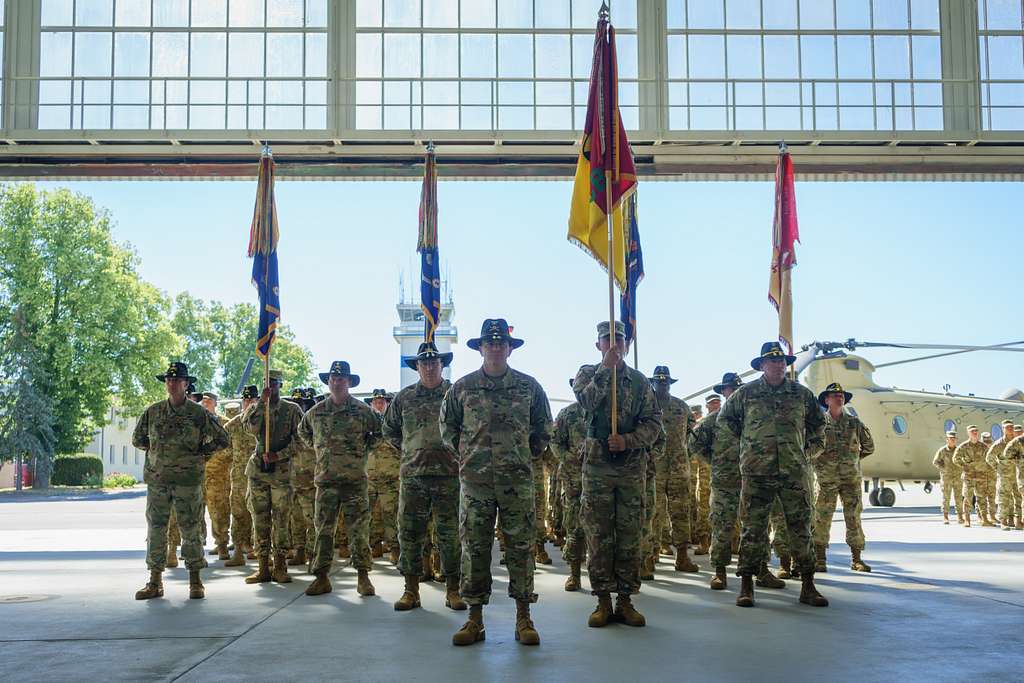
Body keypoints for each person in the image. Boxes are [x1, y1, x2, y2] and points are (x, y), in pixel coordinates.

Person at [441, 319, 551, 647]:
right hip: (475, 482)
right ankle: (474, 618)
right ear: (480, 347)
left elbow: (543, 427)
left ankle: (523, 617)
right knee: (474, 548)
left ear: (508, 347)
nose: (495, 346)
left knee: (520, 547)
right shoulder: (462, 388)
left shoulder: (529, 387)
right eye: (489, 342)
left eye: (500, 342)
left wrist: (522, 455)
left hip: (516, 481)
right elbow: (448, 428)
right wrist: (467, 455)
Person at [717, 342, 828, 608]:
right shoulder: (746, 394)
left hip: (793, 472)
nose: (778, 365)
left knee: (800, 528)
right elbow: (725, 421)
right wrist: (747, 446)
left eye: (782, 361)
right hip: (757, 472)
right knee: (753, 529)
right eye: (772, 361)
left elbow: (819, 424)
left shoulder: (801, 394)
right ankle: (746, 585)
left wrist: (808, 451)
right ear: (762, 365)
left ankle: (808, 585)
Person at [573, 321, 663, 628]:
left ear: (627, 344)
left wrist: (628, 440)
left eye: (619, 340)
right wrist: (604, 370)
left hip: (629, 468)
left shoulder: (639, 382)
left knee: (629, 535)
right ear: (598, 344)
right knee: (599, 534)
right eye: (606, 339)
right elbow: (584, 403)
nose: (614, 344)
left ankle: (625, 599)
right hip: (597, 467)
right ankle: (602, 600)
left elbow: (653, 424)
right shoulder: (587, 373)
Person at [132, 362, 229, 600]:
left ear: (186, 385)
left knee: (191, 529)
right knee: (156, 529)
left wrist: (200, 454)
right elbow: (138, 439)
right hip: (159, 481)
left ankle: (195, 581)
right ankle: (154, 581)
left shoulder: (198, 413)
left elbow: (222, 438)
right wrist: (159, 456)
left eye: (177, 380)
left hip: (188, 482)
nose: (172, 384)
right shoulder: (153, 412)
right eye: (169, 380)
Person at [383, 342, 465, 612]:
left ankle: (453, 589)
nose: (429, 367)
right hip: (414, 477)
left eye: (434, 363)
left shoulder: (455, 395)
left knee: (450, 535)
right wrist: (409, 450)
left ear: (442, 365)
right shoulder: (404, 398)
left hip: (448, 476)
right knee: (410, 534)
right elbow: (390, 430)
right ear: (417, 367)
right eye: (424, 363)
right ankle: (411, 590)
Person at [299, 361, 380, 597]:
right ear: (328, 381)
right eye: (333, 378)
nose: (337, 381)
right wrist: (320, 450)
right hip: (326, 481)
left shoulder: (363, 411)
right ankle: (322, 577)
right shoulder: (316, 412)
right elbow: (303, 432)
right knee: (323, 531)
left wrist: (363, 451)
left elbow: (379, 432)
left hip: (354, 481)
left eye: (342, 378)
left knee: (358, 531)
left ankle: (363, 577)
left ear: (349, 382)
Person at [242, 369, 304, 584]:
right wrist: (261, 404)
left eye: (275, 383)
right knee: (260, 518)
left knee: (281, 518)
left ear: (281, 385)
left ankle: (280, 565)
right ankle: (262, 566)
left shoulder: (292, 410)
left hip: (281, 472)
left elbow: (302, 440)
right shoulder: (254, 408)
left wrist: (280, 454)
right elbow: (251, 429)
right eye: (267, 382)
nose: (270, 386)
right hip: (258, 470)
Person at [811, 382, 875, 573]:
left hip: (850, 480)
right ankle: (820, 559)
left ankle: (857, 559)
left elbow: (869, 447)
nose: (839, 397)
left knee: (853, 518)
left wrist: (852, 461)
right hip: (826, 480)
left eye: (841, 395)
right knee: (822, 518)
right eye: (834, 395)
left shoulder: (854, 423)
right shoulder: (819, 423)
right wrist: (821, 464)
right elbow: (811, 449)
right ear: (826, 400)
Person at [648, 366, 698, 575]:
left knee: (681, 512)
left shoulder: (681, 407)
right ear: (653, 383)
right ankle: (649, 557)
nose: (662, 385)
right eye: (659, 382)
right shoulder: (645, 406)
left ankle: (683, 557)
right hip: (654, 469)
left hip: (679, 468)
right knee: (653, 514)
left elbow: (690, 433)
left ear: (670, 383)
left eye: (665, 382)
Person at [552, 380, 588, 591]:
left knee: (605, 531)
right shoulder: (567, 414)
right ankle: (574, 574)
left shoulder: (606, 412)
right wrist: (570, 458)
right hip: (574, 480)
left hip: (602, 479)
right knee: (574, 526)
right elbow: (555, 443)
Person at [223, 386, 259, 566]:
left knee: (259, 514)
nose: (249, 402)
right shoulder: (233, 424)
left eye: (252, 399)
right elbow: (224, 447)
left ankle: (257, 550)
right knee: (238, 513)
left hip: (258, 476)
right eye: (246, 400)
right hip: (238, 477)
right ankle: (238, 551)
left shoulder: (265, 421)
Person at [287, 388, 317, 569]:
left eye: (304, 403)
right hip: (292, 478)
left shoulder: (314, 424)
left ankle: (314, 554)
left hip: (311, 478)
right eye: (298, 403)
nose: (301, 406)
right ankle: (299, 550)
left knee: (313, 519)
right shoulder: (288, 425)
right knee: (295, 518)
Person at [953, 425, 992, 527]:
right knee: (967, 497)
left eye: (976, 431)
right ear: (968, 433)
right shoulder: (964, 446)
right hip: (969, 476)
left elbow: (989, 458)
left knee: (982, 498)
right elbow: (955, 458)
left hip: (981, 476)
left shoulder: (983, 446)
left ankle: (984, 519)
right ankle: (967, 519)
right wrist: (964, 466)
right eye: (972, 431)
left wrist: (986, 469)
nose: (975, 433)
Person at [985, 420, 1019, 530]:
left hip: (1017, 474)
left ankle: (1016, 520)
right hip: (1005, 475)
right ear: (1003, 429)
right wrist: (998, 468)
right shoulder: (999, 444)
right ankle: (1003, 521)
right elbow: (989, 457)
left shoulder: (1017, 442)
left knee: (1018, 497)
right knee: (1004, 498)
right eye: (1007, 427)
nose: (1010, 429)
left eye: (1011, 427)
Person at [932, 430, 962, 524]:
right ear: (947, 440)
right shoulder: (942, 450)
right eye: (950, 439)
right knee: (946, 497)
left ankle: (960, 517)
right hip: (947, 478)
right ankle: (945, 516)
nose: (952, 440)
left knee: (959, 497)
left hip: (957, 477)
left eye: (954, 439)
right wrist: (943, 468)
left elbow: (963, 461)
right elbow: (935, 462)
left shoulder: (959, 450)